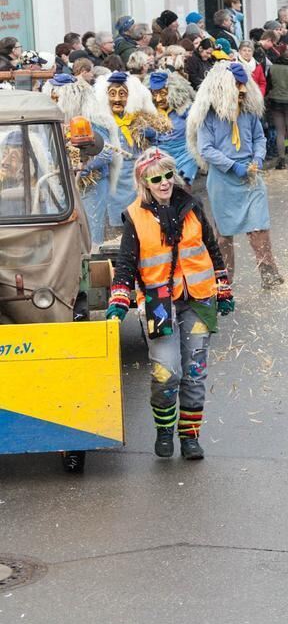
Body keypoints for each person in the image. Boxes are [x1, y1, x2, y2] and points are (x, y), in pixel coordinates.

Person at [105, 148, 233, 460]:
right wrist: (119, 299)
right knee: (167, 371)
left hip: (199, 300)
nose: (164, 182)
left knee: (195, 371)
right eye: (156, 178)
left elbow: (211, 247)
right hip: (159, 303)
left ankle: (190, 437)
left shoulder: (192, 205)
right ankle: (164, 430)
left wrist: (223, 286)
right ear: (144, 182)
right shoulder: (134, 216)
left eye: (167, 175)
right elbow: (125, 264)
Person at [188, 62, 283, 289]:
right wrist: (232, 166)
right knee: (223, 234)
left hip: (251, 177)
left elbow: (259, 138)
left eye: (243, 86)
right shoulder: (208, 116)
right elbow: (206, 149)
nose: (241, 91)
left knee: (259, 226)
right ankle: (224, 279)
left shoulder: (249, 112)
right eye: (237, 86)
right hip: (223, 179)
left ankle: (269, 274)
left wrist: (258, 158)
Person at [47, 74, 118, 247]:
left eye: (58, 98)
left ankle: (91, 266)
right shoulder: (52, 122)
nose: (54, 102)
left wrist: (85, 165)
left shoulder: (91, 120)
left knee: (89, 232)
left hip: (90, 186)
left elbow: (107, 152)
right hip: (59, 184)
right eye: (52, 98)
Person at [97, 70, 159, 237]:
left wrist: (151, 135)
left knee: (141, 224)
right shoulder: (101, 121)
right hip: (114, 178)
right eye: (112, 94)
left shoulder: (139, 118)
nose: (117, 99)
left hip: (136, 175)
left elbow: (156, 140)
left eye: (122, 94)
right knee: (117, 227)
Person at [146, 70, 198, 188]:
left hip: (185, 155)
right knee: (164, 189)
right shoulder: (149, 112)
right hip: (160, 157)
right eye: (155, 94)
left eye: (163, 93)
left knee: (183, 188)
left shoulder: (184, 109)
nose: (158, 99)